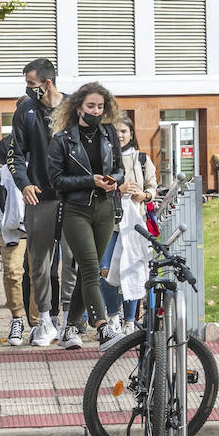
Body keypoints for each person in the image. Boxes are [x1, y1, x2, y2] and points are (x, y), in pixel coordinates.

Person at [47, 82, 125, 350]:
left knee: (88, 271)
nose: (96, 111)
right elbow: (56, 180)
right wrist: (90, 181)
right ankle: (102, 329)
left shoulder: (109, 133)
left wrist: (112, 180)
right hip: (76, 209)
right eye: (91, 106)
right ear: (78, 106)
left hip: (105, 207)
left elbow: (120, 170)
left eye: (100, 107)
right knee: (91, 267)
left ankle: (68, 328)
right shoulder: (62, 139)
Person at [7, 58, 75, 346]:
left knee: (73, 260)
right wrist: (24, 184)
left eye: (31, 84)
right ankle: (44, 321)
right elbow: (16, 154)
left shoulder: (74, 108)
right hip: (39, 196)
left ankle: (70, 321)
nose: (28, 89)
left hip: (73, 196)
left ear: (47, 83)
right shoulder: (26, 110)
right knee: (40, 262)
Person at [105, 117, 158, 334]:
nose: (120, 135)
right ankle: (112, 317)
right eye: (116, 131)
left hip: (135, 225)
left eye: (124, 131)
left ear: (131, 133)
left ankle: (128, 321)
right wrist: (119, 189)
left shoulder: (142, 160)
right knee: (105, 270)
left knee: (132, 268)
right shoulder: (104, 158)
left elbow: (152, 187)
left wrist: (144, 195)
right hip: (109, 224)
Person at [0, 133, 31, 342]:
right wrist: (5, 172)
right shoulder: (5, 144)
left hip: (39, 216)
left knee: (41, 274)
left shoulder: (47, 140)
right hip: (11, 220)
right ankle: (17, 319)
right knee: (13, 272)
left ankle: (38, 322)